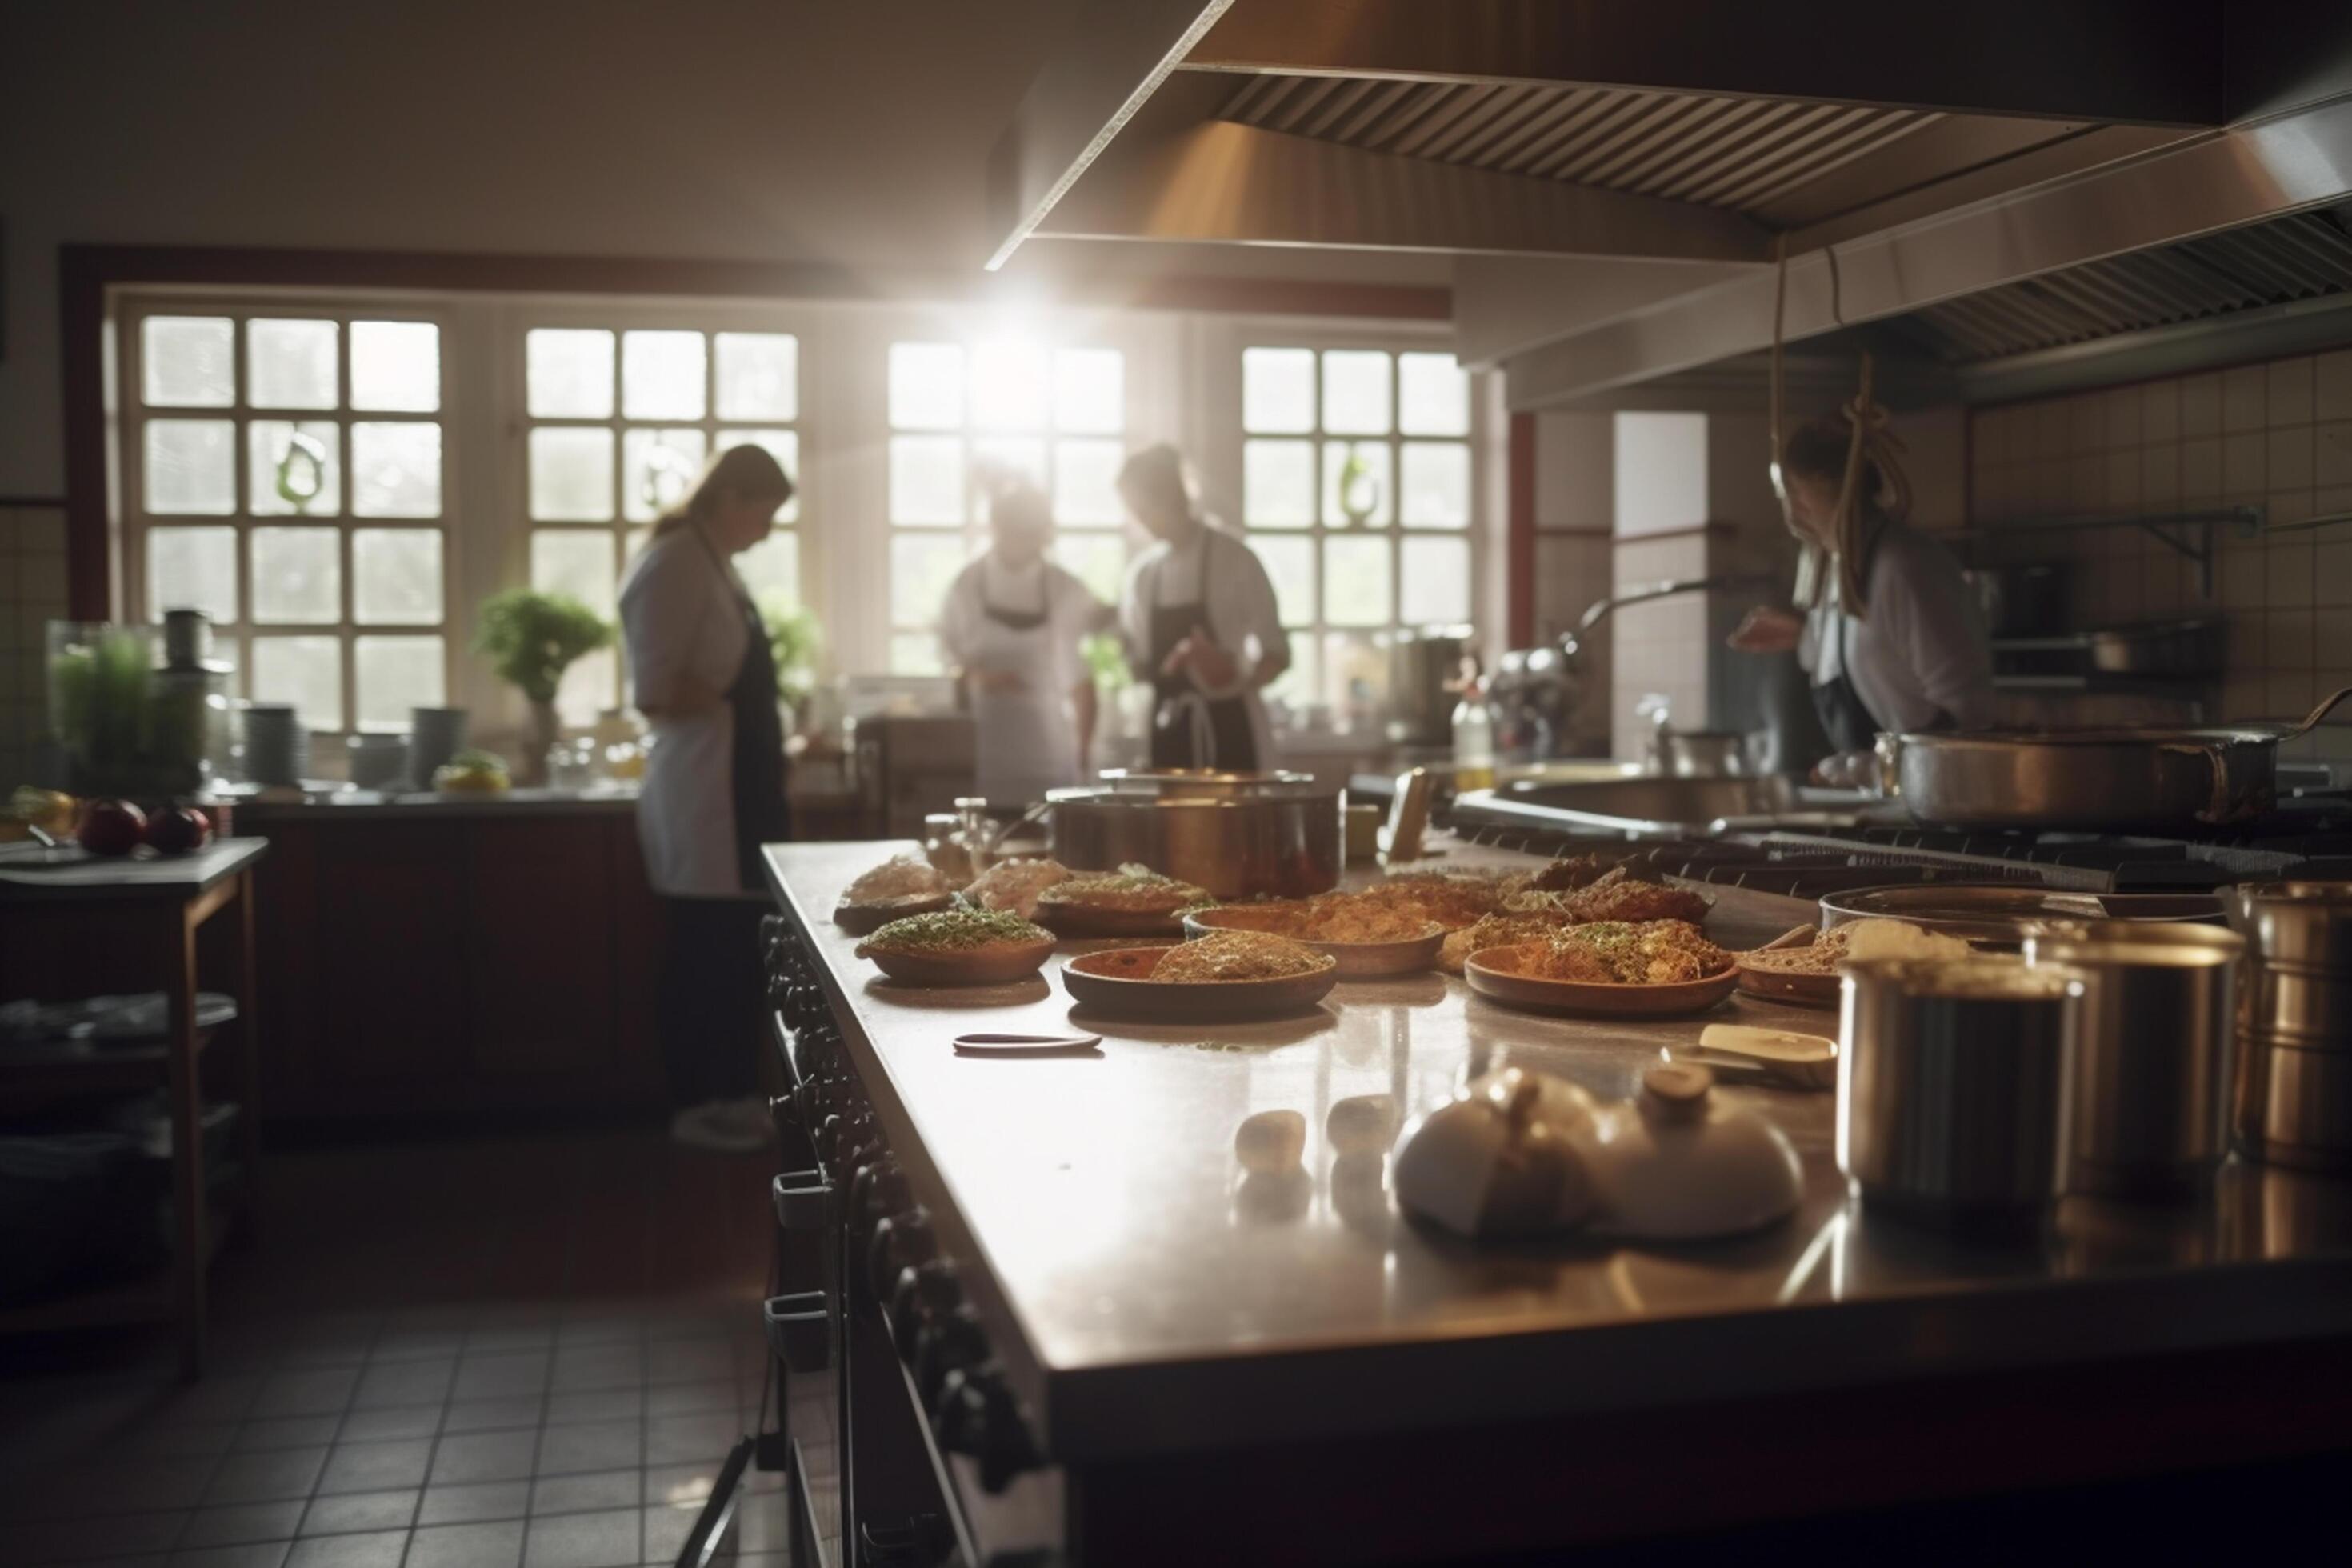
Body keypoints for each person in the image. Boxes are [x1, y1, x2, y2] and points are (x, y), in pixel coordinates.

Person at [619, 443, 794, 1154]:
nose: (768, 529)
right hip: (704, 790)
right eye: (765, 512)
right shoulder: (675, 563)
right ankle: (696, 1103)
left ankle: (732, 1094)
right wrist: (728, 709)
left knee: (734, 953)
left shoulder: (714, 564)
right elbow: (655, 691)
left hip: (738, 785)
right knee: (704, 954)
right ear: (732, 499)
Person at [1729, 413, 1994, 756]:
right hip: (1878, 797)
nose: (1793, 514)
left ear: (1807, 496)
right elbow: (1860, 657)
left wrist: (1886, 769)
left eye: (1793, 492)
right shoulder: (1838, 563)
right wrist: (1801, 636)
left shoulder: (1905, 567)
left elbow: (1966, 711)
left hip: (1932, 797)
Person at [1114, 444, 1289, 770]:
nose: (1139, 519)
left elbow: (1277, 655)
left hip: (1232, 730)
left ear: (1172, 495)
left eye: (1143, 507)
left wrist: (1234, 673)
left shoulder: (1235, 558)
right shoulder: (1143, 575)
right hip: (1168, 734)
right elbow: (1139, 664)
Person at [938, 480, 1110, 803]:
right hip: (983, 754)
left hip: (1049, 751)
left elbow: (1082, 682)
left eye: (1031, 532)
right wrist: (984, 679)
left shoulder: (1064, 587)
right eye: (1015, 530)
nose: (1024, 540)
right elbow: (948, 664)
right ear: (997, 528)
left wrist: (1084, 755)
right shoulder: (967, 585)